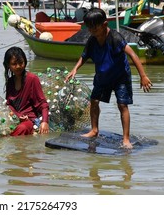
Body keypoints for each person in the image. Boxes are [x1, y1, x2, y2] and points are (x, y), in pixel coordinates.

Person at [65, 8, 152, 149]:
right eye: (89, 27)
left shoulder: (115, 38)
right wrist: (75, 69)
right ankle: (94, 130)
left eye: (94, 27)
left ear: (104, 25)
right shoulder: (92, 40)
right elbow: (84, 56)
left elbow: (133, 55)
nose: (91, 30)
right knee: (94, 101)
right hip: (102, 76)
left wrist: (143, 76)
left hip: (120, 77)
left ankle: (126, 139)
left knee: (122, 105)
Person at [3, 46, 50, 136]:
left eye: (21, 63)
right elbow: (8, 104)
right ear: (8, 65)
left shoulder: (32, 79)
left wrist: (44, 122)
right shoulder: (10, 82)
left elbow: (43, 103)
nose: (18, 66)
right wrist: (17, 116)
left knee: (22, 128)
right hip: (14, 118)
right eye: (14, 64)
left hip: (29, 121)